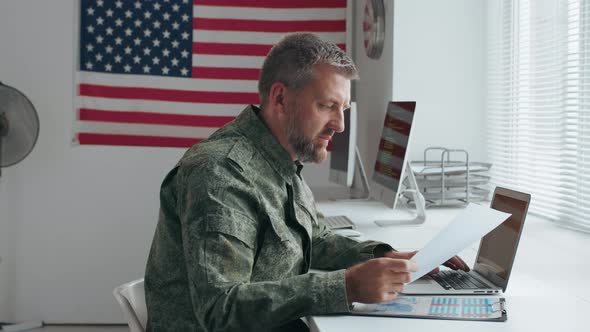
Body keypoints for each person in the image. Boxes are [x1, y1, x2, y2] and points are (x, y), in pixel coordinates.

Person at [144, 32, 468, 331]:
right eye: (327, 106)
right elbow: (221, 309)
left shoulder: (279, 162)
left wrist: (384, 256)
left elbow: (316, 239)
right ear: (280, 99)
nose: (340, 125)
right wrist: (347, 286)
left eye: (343, 109)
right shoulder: (220, 171)